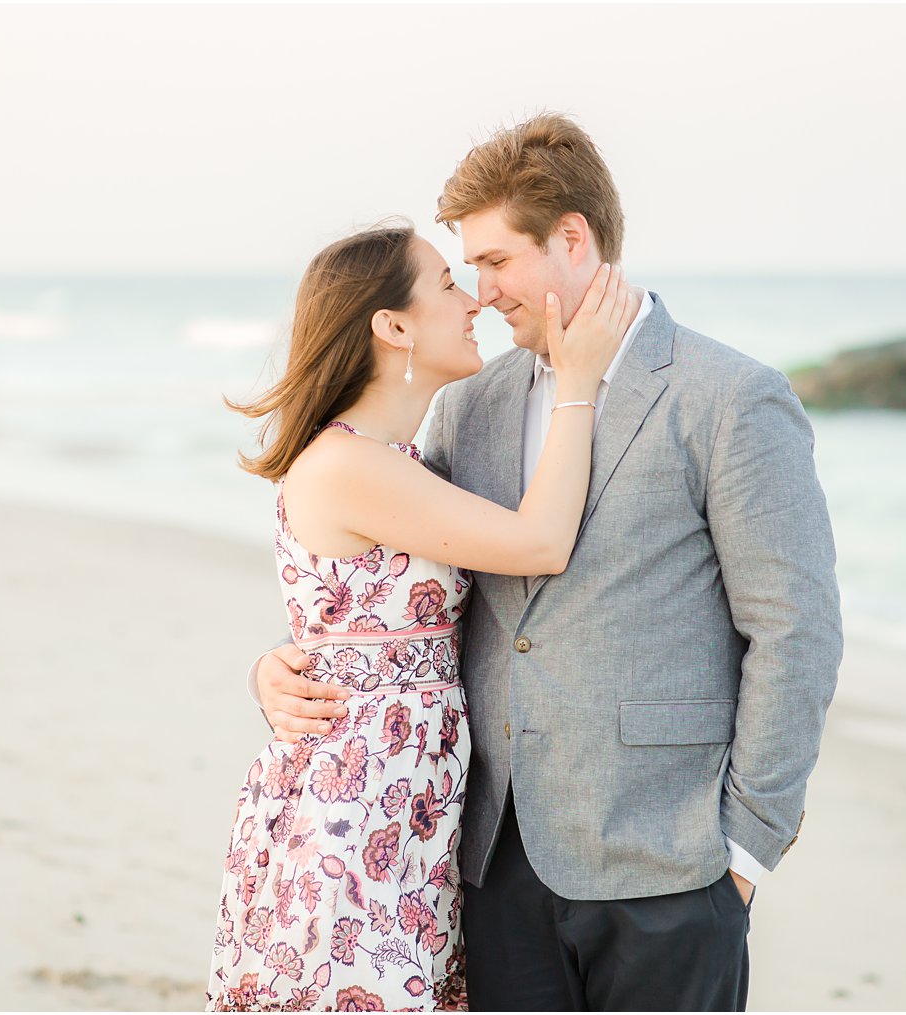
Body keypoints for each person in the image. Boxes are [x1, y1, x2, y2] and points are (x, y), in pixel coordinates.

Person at [252, 114, 844, 1011]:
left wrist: (745, 853)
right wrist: (278, 666)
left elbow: (795, 631)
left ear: (572, 238)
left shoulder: (729, 397)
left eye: (494, 262)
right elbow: (394, 583)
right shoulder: (469, 406)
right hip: (487, 863)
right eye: (466, 270)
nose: (481, 294)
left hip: (667, 868)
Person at [207, 221, 637, 1011]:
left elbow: (355, 619)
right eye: (447, 284)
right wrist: (577, 381)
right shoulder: (347, 463)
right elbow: (540, 542)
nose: (473, 299)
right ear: (393, 326)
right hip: (353, 815)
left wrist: (273, 663)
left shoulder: (400, 459)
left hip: (408, 810)